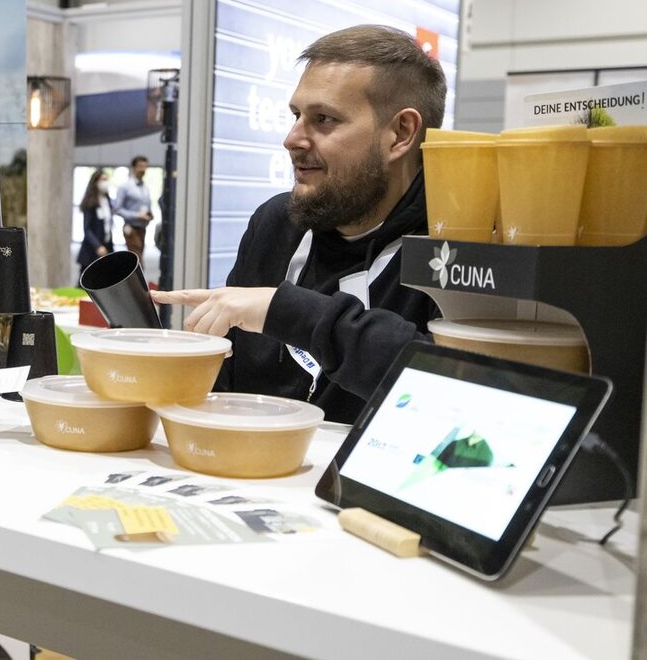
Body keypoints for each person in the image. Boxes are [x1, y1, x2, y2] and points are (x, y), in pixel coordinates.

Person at [154, 25, 446, 424]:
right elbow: (223, 386)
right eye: (296, 116)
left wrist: (288, 311)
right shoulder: (277, 223)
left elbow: (458, 388)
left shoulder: (455, 244)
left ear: (400, 133)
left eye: (323, 119)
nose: (292, 139)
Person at [113, 155, 154, 270]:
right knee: (137, 259)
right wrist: (136, 215)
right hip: (131, 228)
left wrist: (149, 215)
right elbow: (117, 209)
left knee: (140, 256)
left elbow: (147, 206)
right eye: (140, 166)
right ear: (134, 167)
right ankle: (138, 285)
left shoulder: (145, 187)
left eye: (145, 167)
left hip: (142, 228)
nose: (143, 170)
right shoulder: (125, 187)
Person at [76, 168, 115, 277]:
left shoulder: (107, 201)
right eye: (103, 180)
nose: (105, 183)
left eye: (107, 179)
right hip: (92, 249)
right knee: (87, 278)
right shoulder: (90, 203)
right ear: (95, 182)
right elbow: (87, 229)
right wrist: (97, 246)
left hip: (106, 244)